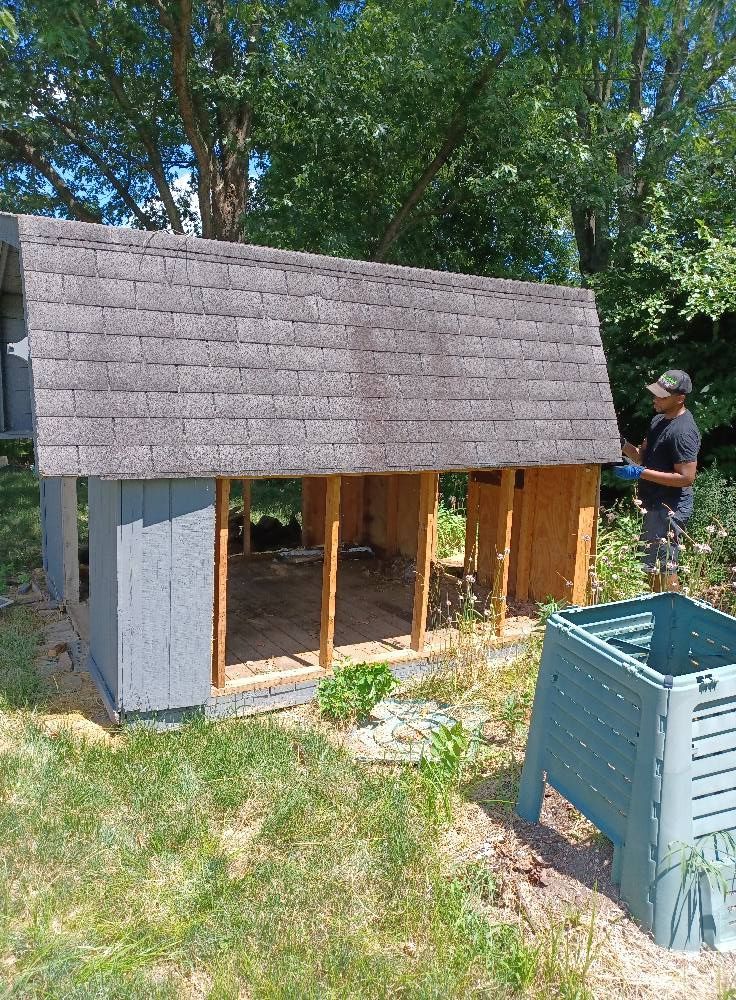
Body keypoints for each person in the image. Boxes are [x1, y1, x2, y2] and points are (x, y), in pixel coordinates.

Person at [615, 370, 701, 591]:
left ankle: (674, 618)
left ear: (680, 398)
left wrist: (639, 473)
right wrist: (622, 443)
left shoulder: (683, 431)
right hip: (653, 503)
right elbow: (642, 456)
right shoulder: (657, 421)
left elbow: (686, 478)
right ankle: (657, 613)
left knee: (664, 568)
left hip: (670, 507)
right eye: (655, 393)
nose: (655, 398)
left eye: (662, 396)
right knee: (649, 565)